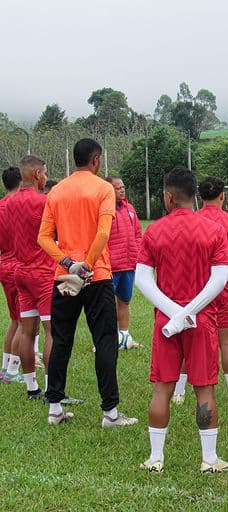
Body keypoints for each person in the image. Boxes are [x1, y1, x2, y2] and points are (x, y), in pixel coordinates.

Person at [135, 167, 228, 474]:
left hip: (166, 323)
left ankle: (155, 459)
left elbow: (142, 279)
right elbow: (219, 280)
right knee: (204, 389)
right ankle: (209, 459)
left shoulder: (153, 231)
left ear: (168, 196)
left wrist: (174, 313)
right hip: (201, 321)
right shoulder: (214, 230)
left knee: (162, 388)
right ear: (195, 195)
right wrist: (189, 312)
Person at [38, 138, 137, 427]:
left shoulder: (56, 191)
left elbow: (43, 238)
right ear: (96, 161)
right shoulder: (103, 189)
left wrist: (69, 264)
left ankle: (54, 407)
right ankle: (110, 413)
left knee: (61, 340)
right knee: (105, 341)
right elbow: (103, 233)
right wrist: (88, 266)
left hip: (66, 277)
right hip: (97, 274)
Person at [0, 156, 53, 400]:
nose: (44, 177)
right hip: (42, 272)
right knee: (53, 332)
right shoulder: (44, 201)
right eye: (43, 173)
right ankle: (53, 389)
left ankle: (32, 388)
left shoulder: (8, 204)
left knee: (26, 330)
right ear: (36, 174)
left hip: (19, 271)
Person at [195, 176, 228, 405]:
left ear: (200, 197)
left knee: (192, 342)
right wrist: (221, 278)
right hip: (224, 290)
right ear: (223, 195)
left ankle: (177, 393)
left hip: (196, 290)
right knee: (227, 342)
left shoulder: (193, 221)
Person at [105, 176, 142, 350]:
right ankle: (104, 340)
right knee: (106, 304)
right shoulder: (103, 209)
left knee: (125, 301)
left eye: (123, 186)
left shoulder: (130, 209)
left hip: (128, 264)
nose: (122, 190)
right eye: (117, 187)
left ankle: (125, 337)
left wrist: (137, 254)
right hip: (110, 266)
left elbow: (137, 235)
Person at [0, 167, 23, 383]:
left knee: (15, 320)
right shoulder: (20, 205)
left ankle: (6, 366)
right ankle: (14, 371)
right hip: (19, 264)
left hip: (4, 263)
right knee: (25, 323)